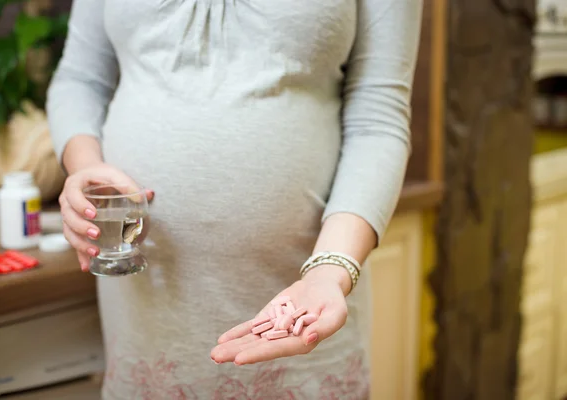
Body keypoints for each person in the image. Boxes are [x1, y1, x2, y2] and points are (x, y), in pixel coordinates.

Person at [47, 0, 422, 398]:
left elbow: (377, 120)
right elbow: (79, 79)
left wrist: (329, 271)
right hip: (148, 308)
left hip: (300, 301)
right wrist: (84, 165)